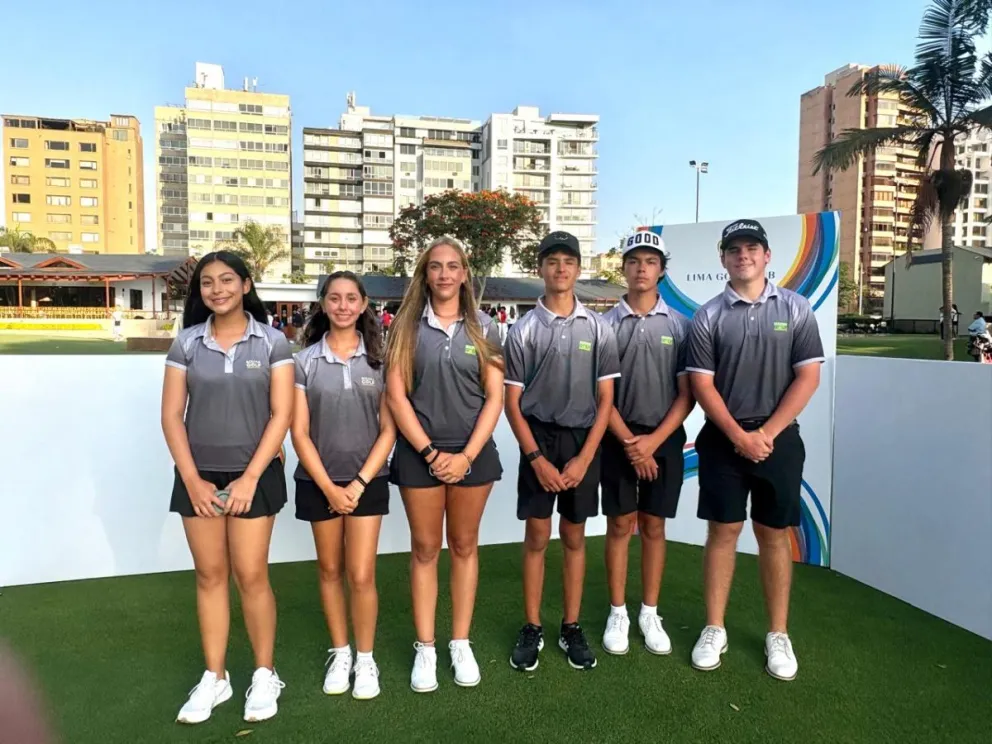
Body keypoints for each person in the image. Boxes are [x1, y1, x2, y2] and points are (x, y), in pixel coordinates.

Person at [686, 219, 824, 682]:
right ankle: (714, 627)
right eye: (734, 249)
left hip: (778, 440)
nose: (743, 255)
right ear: (723, 259)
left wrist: (766, 432)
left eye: (752, 248)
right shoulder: (708, 316)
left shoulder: (797, 308)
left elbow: (808, 376)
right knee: (722, 533)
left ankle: (777, 633)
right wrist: (739, 436)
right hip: (724, 441)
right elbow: (701, 384)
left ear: (767, 256)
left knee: (772, 535)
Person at [161, 251, 294, 724]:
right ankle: (215, 677)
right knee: (209, 577)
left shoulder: (274, 342)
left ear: (246, 284)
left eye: (226, 280)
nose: (217, 290)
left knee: (251, 576)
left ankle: (264, 672)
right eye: (207, 283)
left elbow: (282, 415)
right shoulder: (186, 345)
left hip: (254, 476)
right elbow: (171, 416)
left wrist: (250, 478)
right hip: (198, 477)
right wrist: (193, 479)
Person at [385, 236, 505, 693]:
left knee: (464, 545)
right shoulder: (405, 329)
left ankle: (459, 641)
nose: (445, 274)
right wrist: (432, 455)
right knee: (424, 549)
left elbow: (494, 398)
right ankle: (426, 647)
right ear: (425, 275)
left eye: (453, 266)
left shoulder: (486, 329)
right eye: (436, 266)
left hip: (473, 455)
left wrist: (467, 457)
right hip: (421, 456)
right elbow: (396, 397)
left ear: (465, 274)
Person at [504, 231, 620, 673]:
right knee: (536, 537)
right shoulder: (523, 329)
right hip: (538, 440)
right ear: (540, 268)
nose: (560, 268)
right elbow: (512, 403)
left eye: (568, 261)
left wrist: (585, 457)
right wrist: (536, 458)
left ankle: (570, 625)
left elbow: (606, 400)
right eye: (552, 261)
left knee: (574, 536)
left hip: (581, 442)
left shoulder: (598, 327)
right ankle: (532, 625)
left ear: (578, 267)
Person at [291, 272, 397, 701]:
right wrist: (331, 489)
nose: (343, 305)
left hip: (367, 481)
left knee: (361, 573)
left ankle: (366, 658)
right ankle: (342, 652)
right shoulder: (304, 362)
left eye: (351, 298)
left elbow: (388, 429)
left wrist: (357, 483)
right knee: (330, 571)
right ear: (322, 304)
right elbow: (299, 432)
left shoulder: (380, 360)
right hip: (319, 482)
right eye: (334, 298)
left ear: (364, 304)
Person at [599, 232, 694, 656]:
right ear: (623, 268)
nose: (641, 268)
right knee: (620, 525)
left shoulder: (680, 324)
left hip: (664, 438)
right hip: (616, 437)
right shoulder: (602, 326)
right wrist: (630, 443)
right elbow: (599, 395)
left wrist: (652, 443)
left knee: (654, 525)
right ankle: (618, 610)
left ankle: (649, 611)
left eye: (650, 261)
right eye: (633, 261)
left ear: (661, 270)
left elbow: (688, 393)